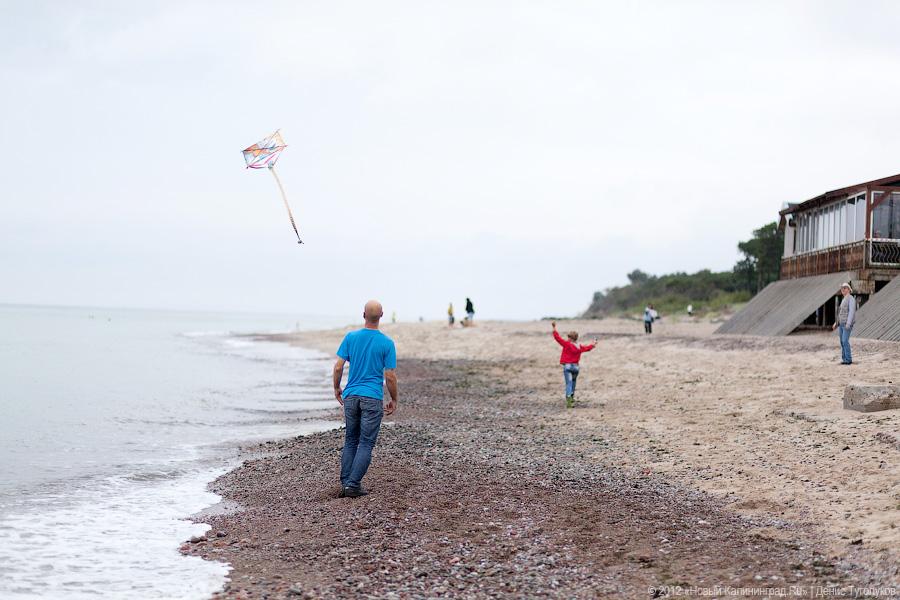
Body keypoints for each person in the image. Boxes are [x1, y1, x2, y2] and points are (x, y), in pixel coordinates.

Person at [333, 300, 398, 498]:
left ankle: (346, 482)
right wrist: (394, 399)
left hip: (351, 396)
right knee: (366, 443)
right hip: (371, 397)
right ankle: (352, 484)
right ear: (381, 315)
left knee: (351, 439)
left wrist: (337, 387)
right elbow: (390, 376)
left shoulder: (351, 337)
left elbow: (338, 366)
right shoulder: (387, 343)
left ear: (363, 315)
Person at [551, 321, 597, 408]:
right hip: (576, 367)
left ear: (570, 338)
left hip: (568, 366)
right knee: (574, 382)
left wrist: (554, 328)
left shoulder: (567, 344)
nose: (567, 339)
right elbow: (588, 348)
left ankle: (569, 398)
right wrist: (593, 344)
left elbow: (557, 338)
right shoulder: (579, 346)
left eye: (568, 337)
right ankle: (572, 398)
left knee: (569, 383)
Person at [832, 283, 856, 365]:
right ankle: (844, 359)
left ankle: (848, 359)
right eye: (842, 288)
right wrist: (836, 323)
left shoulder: (851, 299)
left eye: (845, 288)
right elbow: (841, 313)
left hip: (846, 324)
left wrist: (848, 324)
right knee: (842, 342)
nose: (843, 289)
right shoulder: (843, 299)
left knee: (845, 340)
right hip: (841, 324)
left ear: (849, 289)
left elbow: (851, 312)